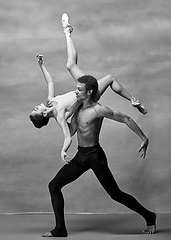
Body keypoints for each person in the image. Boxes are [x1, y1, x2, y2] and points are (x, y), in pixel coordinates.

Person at [41, 75, 156, 238]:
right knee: (54, 186)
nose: (76, 91)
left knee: (115, 194)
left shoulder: (98, 110)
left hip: (95, 157)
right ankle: (60, 229)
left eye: (79, 89)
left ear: (89, 92)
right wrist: (53, 115)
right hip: (81, 156)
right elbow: (71, 131)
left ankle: (149, 216)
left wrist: (144, 138)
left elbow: (126, 118)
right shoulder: (76, 109)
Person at [30, 13, 147, 163]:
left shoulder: (50, 101)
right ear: (43, 115)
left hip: (82, 88)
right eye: (35, 109)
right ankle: (132, 100)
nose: (35, 106)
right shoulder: (60, 117)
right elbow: (68, 136)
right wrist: (63, 150)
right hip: (89, 94)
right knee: (106, 77)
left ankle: (67, 32)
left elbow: (50, 83)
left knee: (71, 65)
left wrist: (41, 65)